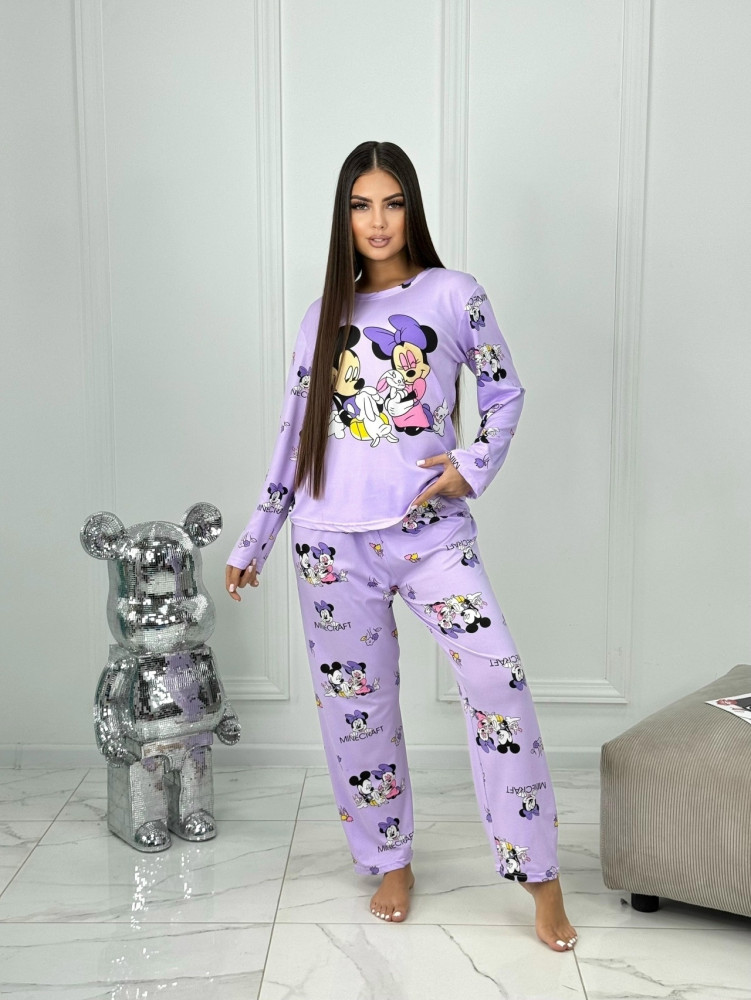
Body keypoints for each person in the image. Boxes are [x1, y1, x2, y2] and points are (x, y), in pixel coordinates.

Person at [225, 141, 578, 952]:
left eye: (391, 203)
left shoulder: (454, 294)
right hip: (327, 543)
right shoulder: (322, 315)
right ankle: (389, 861)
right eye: (360, 205)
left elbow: (503, 391)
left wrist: (469, 466)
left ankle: (540, 875)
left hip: (429, 535)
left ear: (411, 208)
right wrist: (257, 538)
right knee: (360, 712)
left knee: (496, 678)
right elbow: (295, 436)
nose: (377, 221)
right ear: (343, 217)